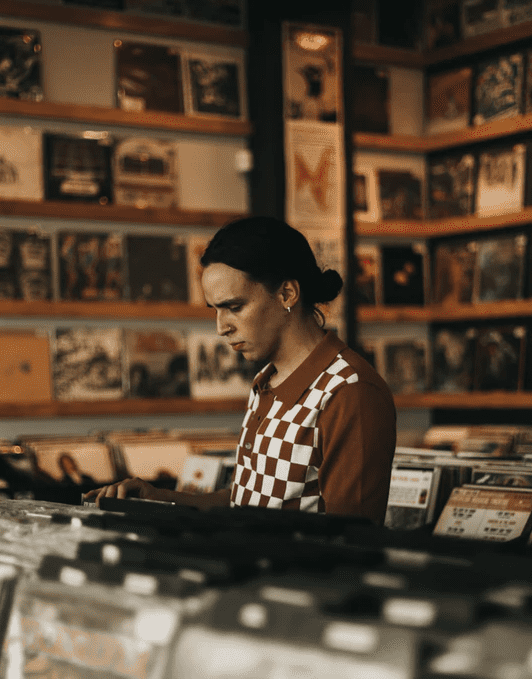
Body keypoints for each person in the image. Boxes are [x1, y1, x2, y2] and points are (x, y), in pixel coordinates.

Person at [86, 216, 397, 522]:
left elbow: (351, 543)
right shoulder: (266, 381)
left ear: (287, 294)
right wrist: (161, 498)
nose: (221, 328)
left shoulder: (350, 391)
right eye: (216, 310)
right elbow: (247, 503)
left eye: (234, 307)